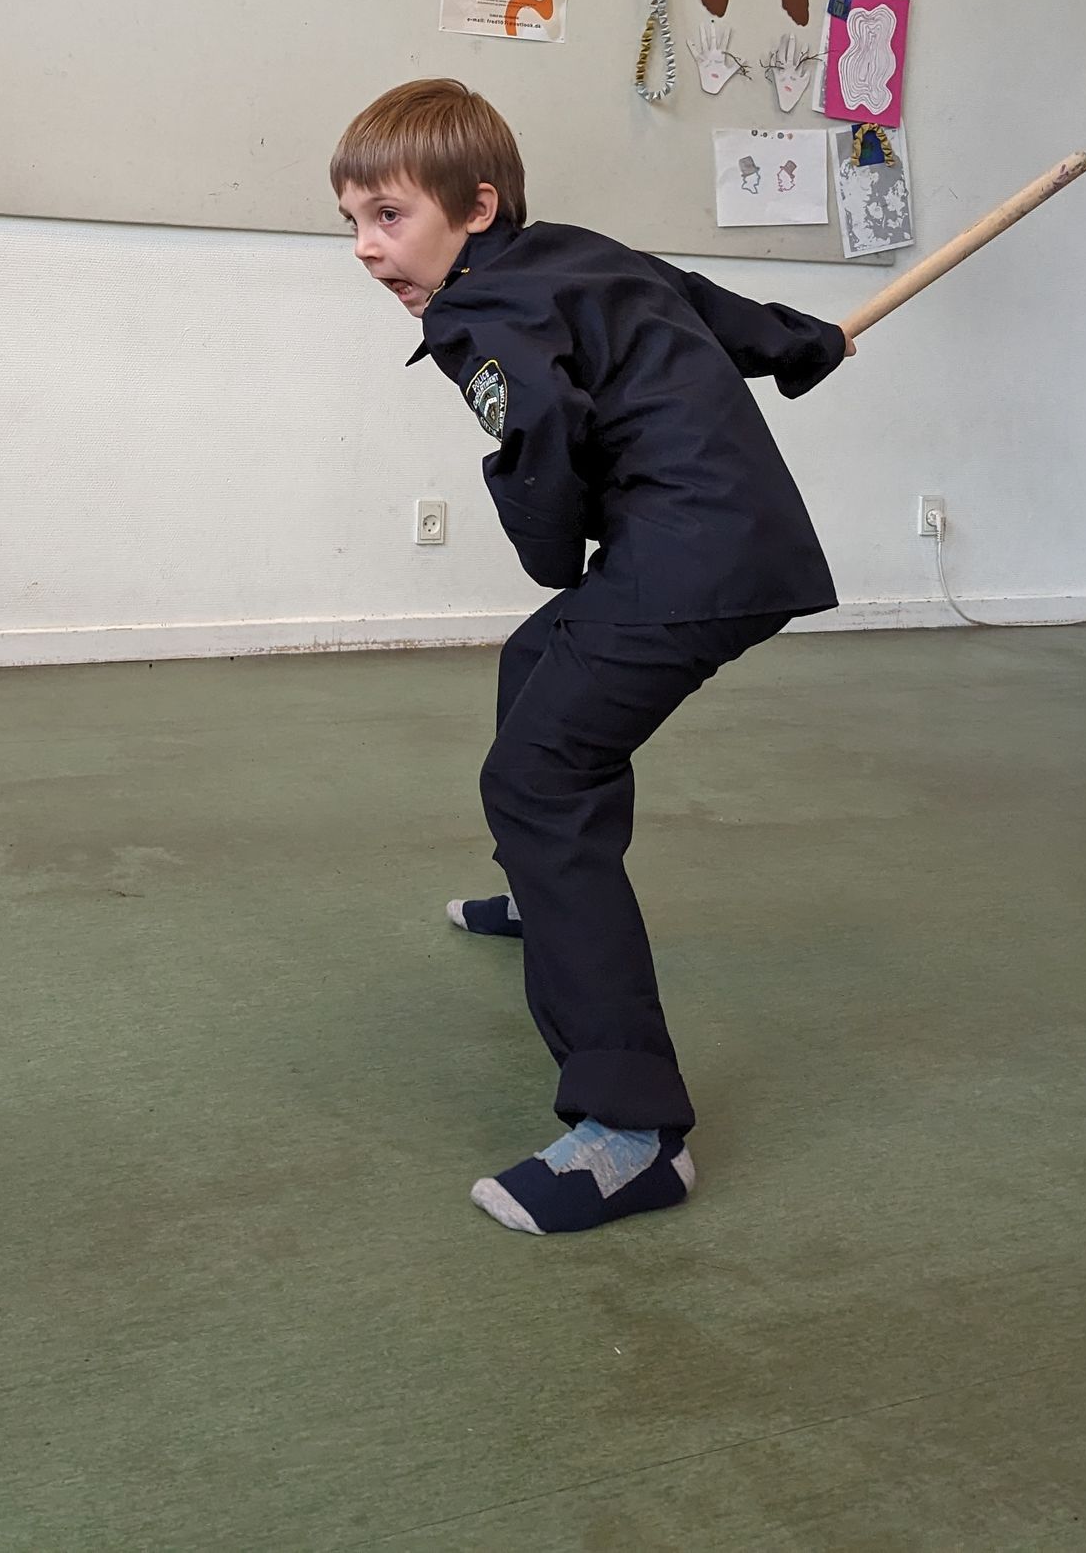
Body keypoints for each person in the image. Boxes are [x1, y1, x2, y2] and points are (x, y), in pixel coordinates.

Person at [331, 78, 853, 1235]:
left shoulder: (475, 314)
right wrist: (799, 343)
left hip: (688, 561)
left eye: (389, 216)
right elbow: (692, 300)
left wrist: (551, 554)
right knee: (540, 664)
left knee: (538, 780)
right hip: (737, 538)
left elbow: (541, 439)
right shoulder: (573, 253)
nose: (367, 248)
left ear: (477, 207)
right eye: (354, 222)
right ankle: (544, 897)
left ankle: (631, 1134)